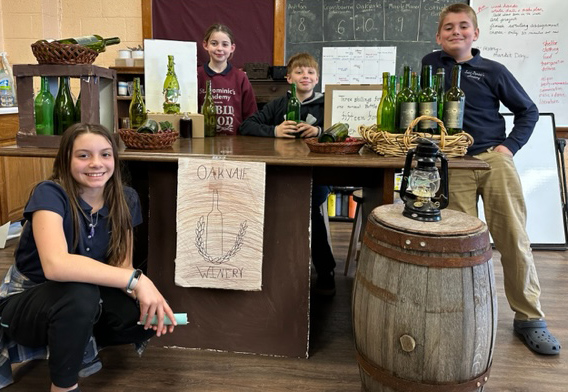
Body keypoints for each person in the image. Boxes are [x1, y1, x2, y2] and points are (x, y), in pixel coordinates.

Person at [422, 3, 561, 355]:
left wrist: (509, 147)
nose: (456, 32)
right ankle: (459, 315)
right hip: (452, 162)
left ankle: (530, 318)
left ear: (476, 33)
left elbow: (527, 110)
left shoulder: (493, 70)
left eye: (463, 26)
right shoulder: (430, 65)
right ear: (438, 36)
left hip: (491, 160)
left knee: (513, 237)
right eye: (449, 27)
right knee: (457, 244)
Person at [0, 123, 178, 391]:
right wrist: (139, 281)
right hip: (28, 298)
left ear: (115, 160)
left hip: (83, 295)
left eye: (105, 154)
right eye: (83, 155)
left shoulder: (126, 198)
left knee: (139, 317)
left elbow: (122, 266)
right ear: (66, 160)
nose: (96, 163)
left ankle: (80, 339)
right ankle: (64, 386)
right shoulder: (50, 193)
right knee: (80, 294)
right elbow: (56, 265)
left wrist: (151, 300)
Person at [240, 52, 336, 296]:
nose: (306, 76)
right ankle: (277, 267)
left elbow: (344, 130)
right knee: (270, 206)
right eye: (299, 72)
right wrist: (274, 130)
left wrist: (319, 130)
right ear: (289, 78)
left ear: (317, 79)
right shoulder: (278, 105)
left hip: (316, 175)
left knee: (308, 209)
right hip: (281, 173)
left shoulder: (327, 104)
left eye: (311, 72)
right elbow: (247, 125)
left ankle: (326, 270)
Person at [197, 23, 258, 135]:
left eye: (225, 44)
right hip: (202, 140)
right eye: (214, 43)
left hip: (235, 142)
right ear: (205, 45)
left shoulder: (240, 77)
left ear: (232, 48)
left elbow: (251, 115)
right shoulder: (196, 75)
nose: (219, 48)